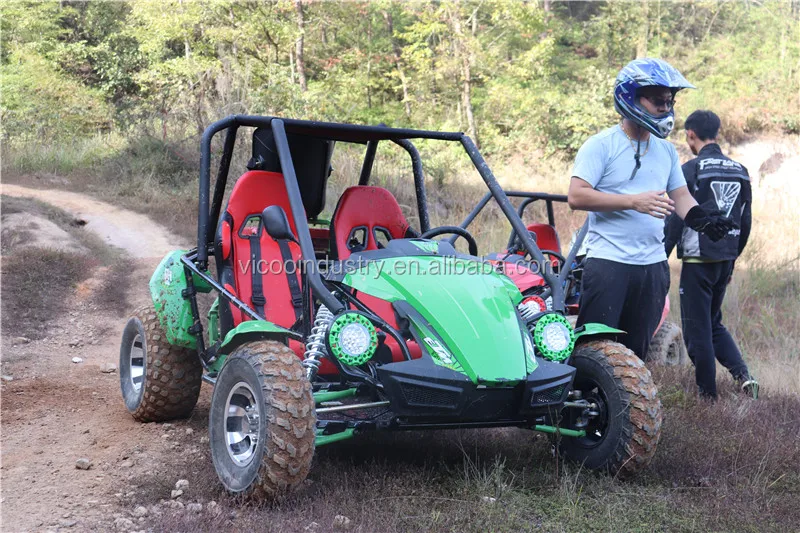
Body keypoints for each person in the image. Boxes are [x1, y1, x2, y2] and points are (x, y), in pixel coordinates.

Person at [567, 58, 735, 361]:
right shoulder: (601, 145)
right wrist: (633, 201)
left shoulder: (666, 150)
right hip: (609, 263)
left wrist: (701, 219)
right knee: (594, 354)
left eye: (669, 101)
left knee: (636, 356)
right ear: (630, 96)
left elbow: (681, 196)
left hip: (653, 267)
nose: (665, 108)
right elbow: (577, 196)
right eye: (657, 100)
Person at [664, 110, 757, 399]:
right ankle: (744, 377)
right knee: (713, 322)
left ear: (690, 135)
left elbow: (676, 218)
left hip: (698, 261)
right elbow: (745, 221)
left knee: (697, 330)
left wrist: (660, 257)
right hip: (725, 259)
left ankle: (707, 397)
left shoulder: (691, 169)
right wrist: (732, 261)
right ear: (716, 133)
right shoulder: (740, 170)